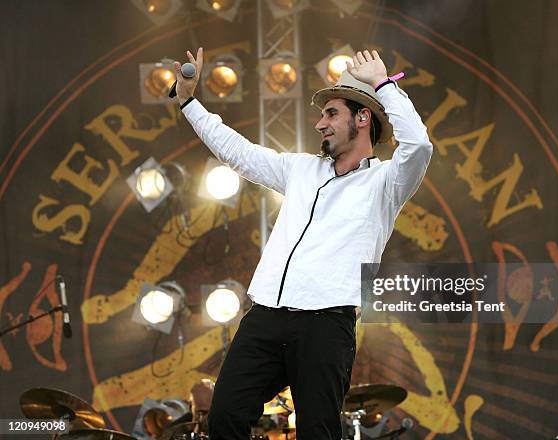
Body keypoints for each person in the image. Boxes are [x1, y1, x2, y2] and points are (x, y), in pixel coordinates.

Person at [173, 47, 433, 439]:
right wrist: (189, 102)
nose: (320, 124)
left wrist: (383, 85)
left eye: (331, 114)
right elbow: (237, 153)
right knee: (225, 414)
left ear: (363, 118)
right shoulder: (302, 169)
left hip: (326, 323)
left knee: (318, 431)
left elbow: (420, 146)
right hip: (266, 315)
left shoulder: (385, 182)